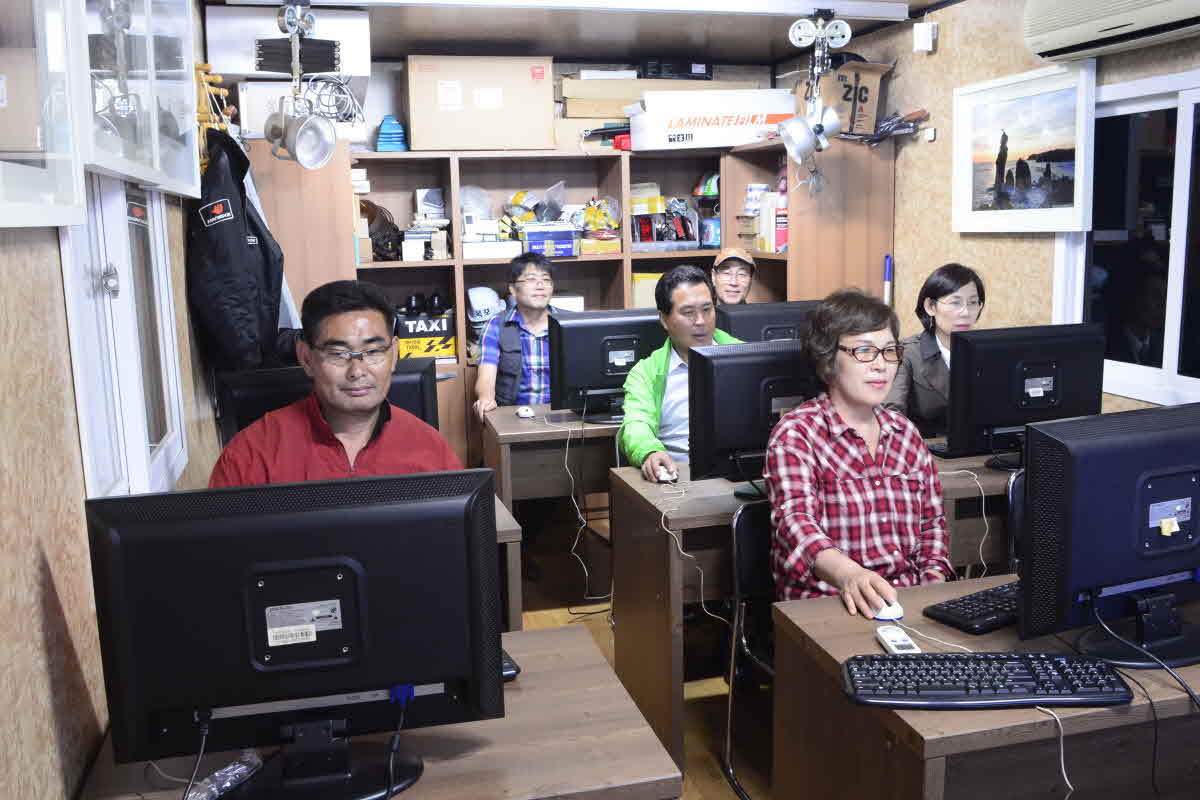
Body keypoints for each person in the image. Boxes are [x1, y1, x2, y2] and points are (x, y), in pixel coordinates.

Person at [764, 289, 953, 615]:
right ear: (827, 360)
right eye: (864, 351)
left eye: (889, 351)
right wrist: (849, 575)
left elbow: (932, 525)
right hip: (831, 605)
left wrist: (931, 588)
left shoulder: (906, 434)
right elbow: (796, 526)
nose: (881, 365)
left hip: (905, 601)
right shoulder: (797, 434)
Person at [210, 280, 462, 487]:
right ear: (306, 359)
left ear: (394, 354)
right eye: (338, 354)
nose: (357, 371)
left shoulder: (431, 450)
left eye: (373, 351)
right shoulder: (251, 454)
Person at [619, 264, 741, 482]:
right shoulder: (646, 373)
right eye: (688, 313)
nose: (700, 321)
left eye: (707, 309)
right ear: (664, 319)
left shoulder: (744, 355)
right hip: (680, 478)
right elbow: (637, 424)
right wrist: (650, 451)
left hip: (741, 473)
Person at [884, 263, 986, 436]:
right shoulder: (907, 354)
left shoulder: (986, 351)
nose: (966, 312)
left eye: (973, 302)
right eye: (955, 302)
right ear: (930, 307)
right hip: (923, 447)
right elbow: (891, 413)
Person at [474, 253, 561, 420]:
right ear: (513, 289)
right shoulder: (496, 325)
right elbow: (486, 375)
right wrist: (486, 398)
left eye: (546, 280)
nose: (540, 285)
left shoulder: (569, 323)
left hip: (561, 415)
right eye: (531, 279)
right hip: (512, 415)